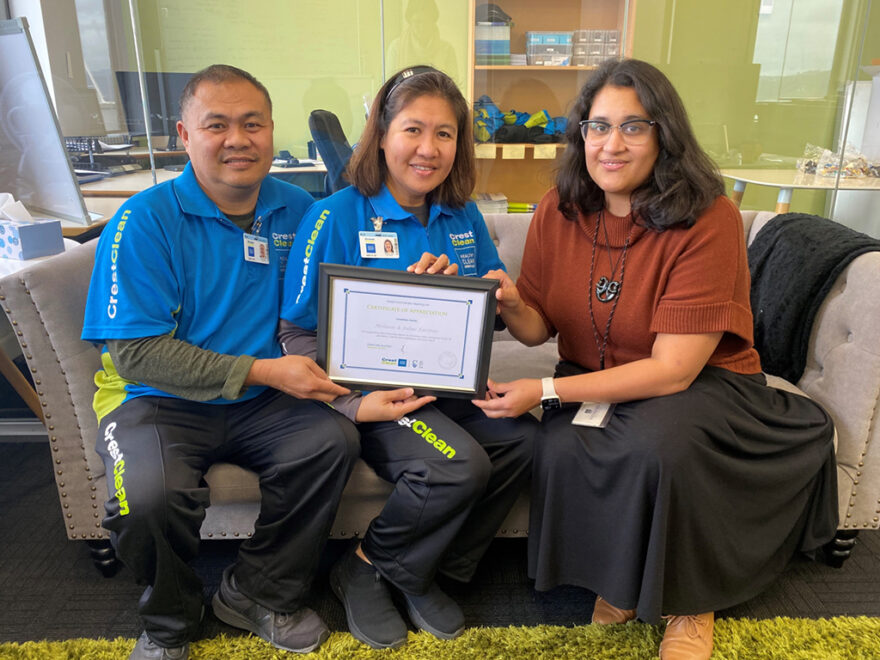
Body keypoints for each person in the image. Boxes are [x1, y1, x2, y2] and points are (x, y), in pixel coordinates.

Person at [473, 59, 838, 660]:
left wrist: (541, 394)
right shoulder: (555, 210)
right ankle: (619, 584)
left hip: (702, 383)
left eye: (633, 127)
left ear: (664, 134)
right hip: (593, 375)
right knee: (562, 445)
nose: (610, 144)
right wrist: (511, 300)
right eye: (597, 127)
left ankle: (693, 602)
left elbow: (673, 370)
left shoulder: (708, 217)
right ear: (580, 135)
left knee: (659, 445)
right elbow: (538, 328)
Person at [81, 65, 361, 660]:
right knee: (145, 496)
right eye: (218, 125)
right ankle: (170, 622)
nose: (238, 139)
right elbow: (133, 352)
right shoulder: (144, 220)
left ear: (271, 131)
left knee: (331, 444)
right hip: (155, 399)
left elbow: (333, 303)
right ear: (185, 135)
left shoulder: (301, 210)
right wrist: (261, 371)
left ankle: (255, 592)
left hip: (266, 401)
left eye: (252, 123)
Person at [279, 66, 536, 650]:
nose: (428, 148)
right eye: (413, 130)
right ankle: (363, 567)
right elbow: (293, 332)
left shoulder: (463, 216)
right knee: (458, 466)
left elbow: (487, 313)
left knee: (525, 441)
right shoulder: (335, 215)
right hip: (375, 396)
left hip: (446, 383)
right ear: (382, 134)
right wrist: (352, 401)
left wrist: (479, 302)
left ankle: (420, 571)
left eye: (445, 134)